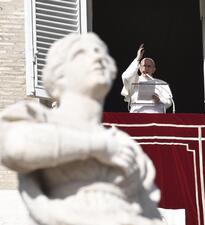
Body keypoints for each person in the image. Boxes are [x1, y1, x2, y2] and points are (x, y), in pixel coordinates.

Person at [0, 33, 164, 225]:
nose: (97, 57)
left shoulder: (125, 143)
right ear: (58, 74)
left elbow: (150, 213)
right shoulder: (36, 118)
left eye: (102, 53)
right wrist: (97, 146)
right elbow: (17, 147)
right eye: (81, 53)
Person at [121, 44, 173, 113]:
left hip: (156, 117)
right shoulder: (135, 80)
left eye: (149, 66)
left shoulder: (162, 83)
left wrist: (159, 100)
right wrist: (137, 58)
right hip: (137, 115)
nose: (146, 68)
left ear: (154, 69)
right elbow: (126, 77)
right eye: (144, 66)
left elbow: (169, 102)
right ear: (139, 68)